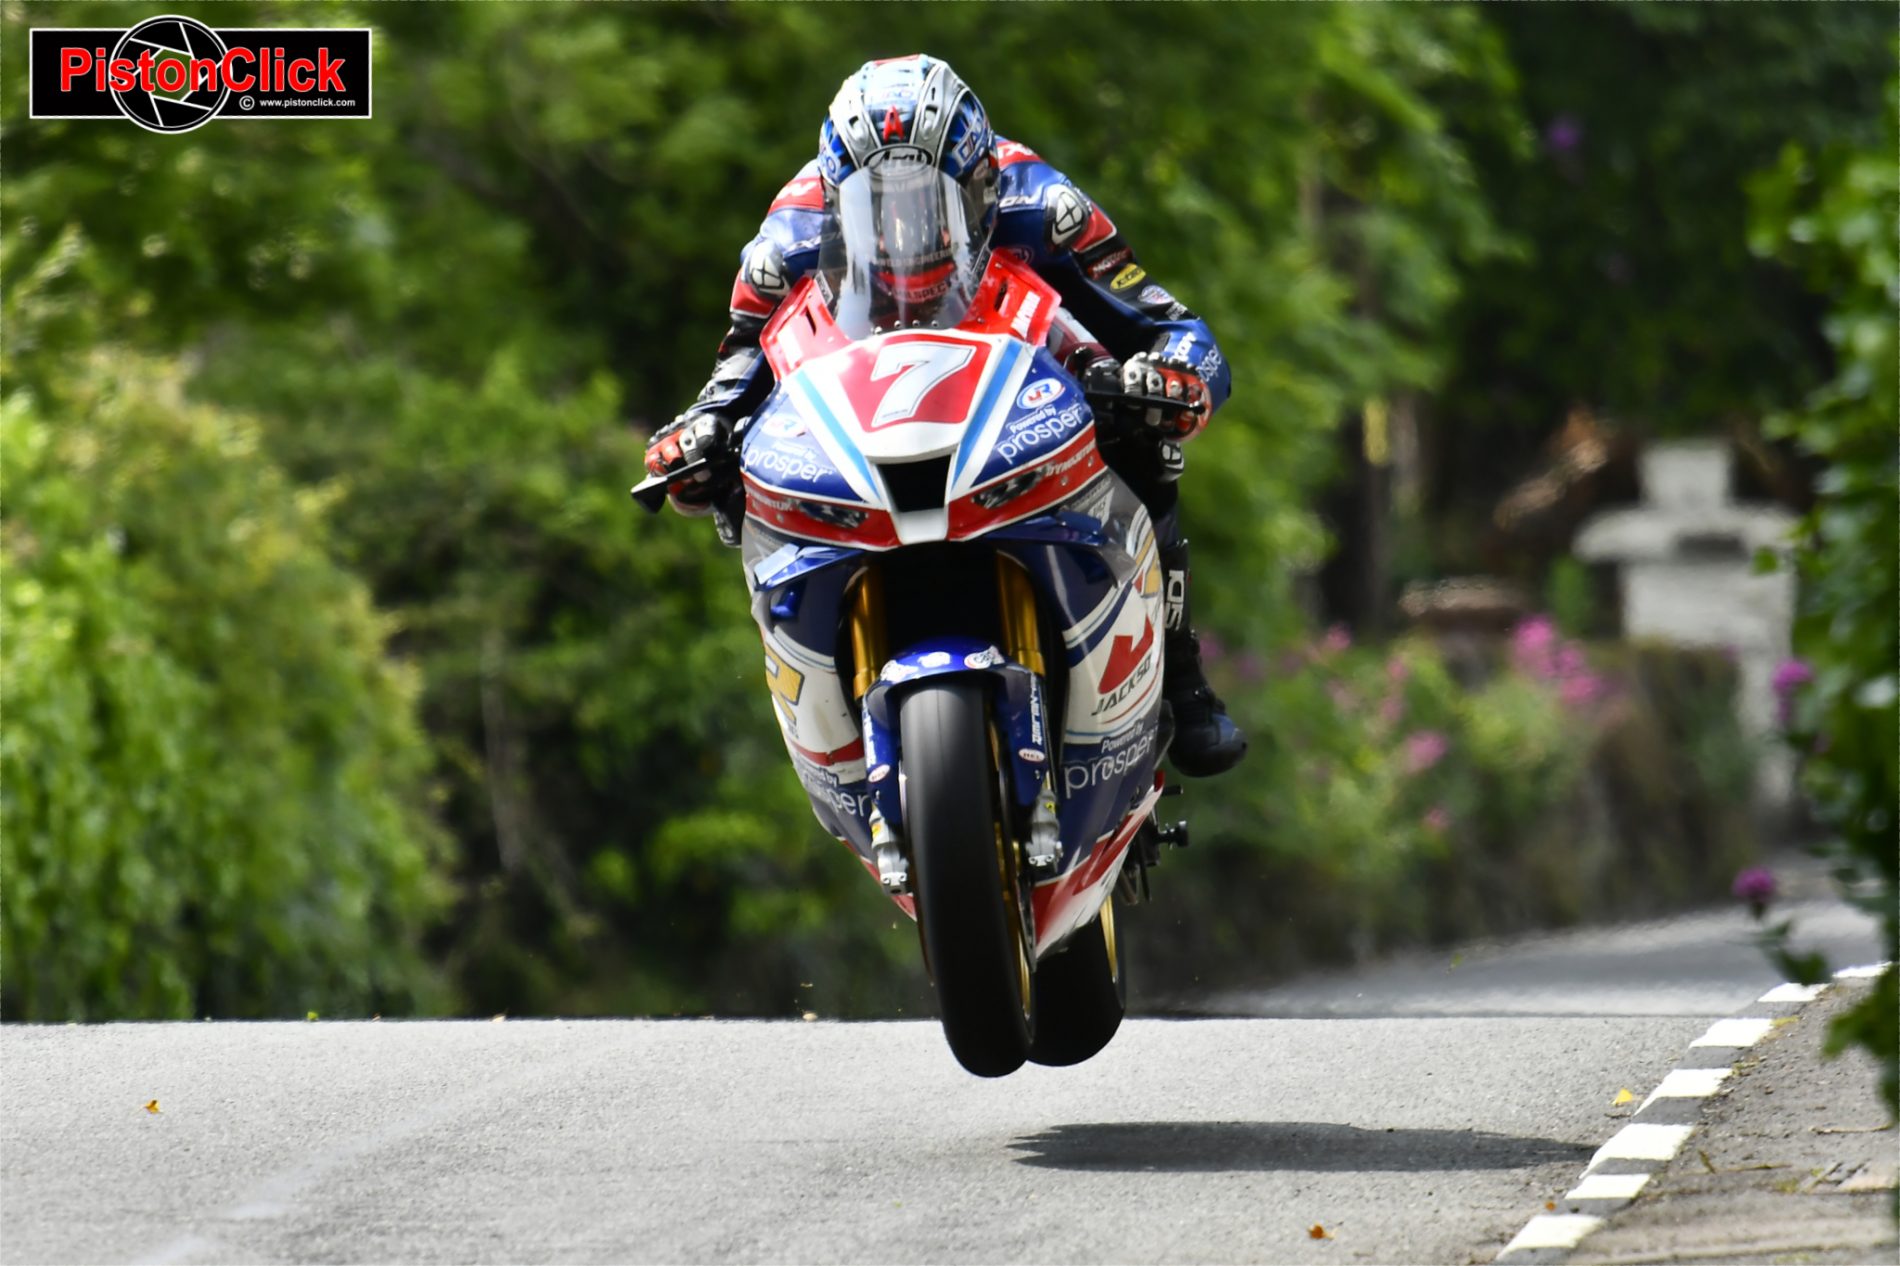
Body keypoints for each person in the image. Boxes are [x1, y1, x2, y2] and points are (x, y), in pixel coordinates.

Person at [645, 54, 1245, 778]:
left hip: (1017, 383)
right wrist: (699, 434)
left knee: (1146, 442)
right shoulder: (787, 241)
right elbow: (739, 361)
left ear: (982, 185)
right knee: (740, 482)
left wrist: (1171, 378)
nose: (905, 233)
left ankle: (1181, 673)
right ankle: (824, 710)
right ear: (838, 204)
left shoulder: (1044, 207)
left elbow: (1170, 325)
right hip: (857, 417)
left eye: (933, 205)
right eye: (876, 209)